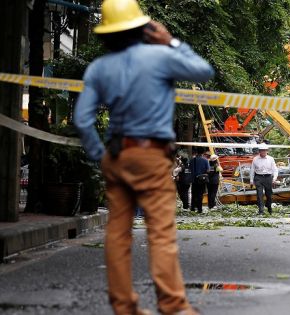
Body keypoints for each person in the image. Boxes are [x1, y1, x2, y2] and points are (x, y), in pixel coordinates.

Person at [73, 0, 214, 314]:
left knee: (117, 232)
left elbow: (82, 120)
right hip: (151, 156)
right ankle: (173, 306)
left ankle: (124, 307)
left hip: (116, 155)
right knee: (160, 231)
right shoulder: (161, 57)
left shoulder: (98, 68)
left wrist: (101, 155)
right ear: (142, 27)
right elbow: (204, 71)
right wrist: (172, 41)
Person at [249, 143, 278, 215]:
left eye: (265, 150)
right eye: (262, 150)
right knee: (259, 194)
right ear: (259, 151)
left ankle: (269, 207)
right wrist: (251, 180)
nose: (263, 152)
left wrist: (274, 178)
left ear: (267, 151)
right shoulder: (255, 159)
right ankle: (261, 210)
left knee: (269, 194)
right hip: (258, 177)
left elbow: (275, 169)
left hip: (268, 177)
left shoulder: (271, 159)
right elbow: (252, 170)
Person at [190, 147, 209, 213]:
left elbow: (190, 169)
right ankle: (199, 209)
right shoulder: (205, 160)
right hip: (202, 180)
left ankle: (192, 207)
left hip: (194, 180)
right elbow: (208, 170)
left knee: (194, 194)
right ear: (203, 152)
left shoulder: (192, 160)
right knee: (200, 194)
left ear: (196, 152)